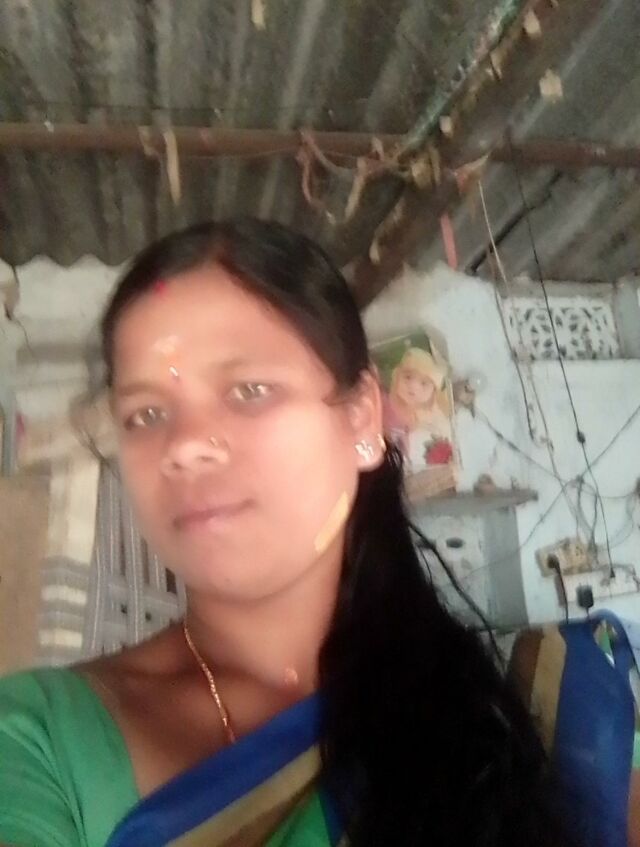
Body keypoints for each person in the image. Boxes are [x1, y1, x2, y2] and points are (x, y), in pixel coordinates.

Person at [0, 220, 572, 847]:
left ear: (362, 420)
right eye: (146, 414)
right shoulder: (33, 741)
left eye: (249, 390)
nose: (185, 445)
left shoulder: (530, 714)